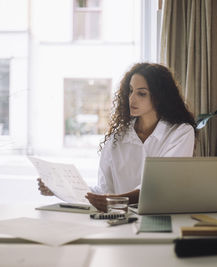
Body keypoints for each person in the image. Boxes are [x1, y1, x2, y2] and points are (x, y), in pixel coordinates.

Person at [38, 63, 196, 211]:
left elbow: (162, 185)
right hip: (118, 219)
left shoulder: (181, 133)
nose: (132, 98)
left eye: (141, 93)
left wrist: (116, 200)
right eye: (130, 90)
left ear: (160, 97)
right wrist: (58, 188)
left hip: (160, 217)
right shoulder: (117, 138)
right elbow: (103, 191)